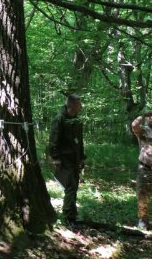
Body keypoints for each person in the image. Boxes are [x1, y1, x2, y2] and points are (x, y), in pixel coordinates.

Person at [48, 93, 85, 229]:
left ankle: (73, 214)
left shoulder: (76, 120)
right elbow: (53, 140)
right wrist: (56, 158)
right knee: (70, 187)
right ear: (72, 105)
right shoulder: (59, 119)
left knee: (74, 187)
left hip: (74, 159)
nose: (81, 107)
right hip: (64, 159)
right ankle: (69, 217)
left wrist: (82, 157)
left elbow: (80, 142)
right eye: (78, 104)